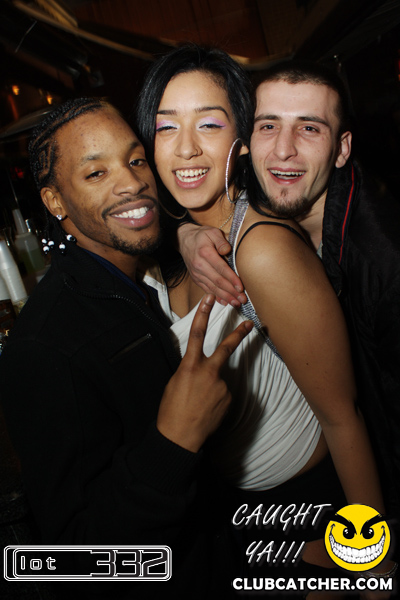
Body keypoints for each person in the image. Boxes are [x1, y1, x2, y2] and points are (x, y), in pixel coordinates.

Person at [135, 45, 394, 596]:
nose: (185, 147)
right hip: (237, 518)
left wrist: (370, 563)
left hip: (308, 512)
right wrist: (183, 234)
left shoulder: (264, 250)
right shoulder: (167, 243)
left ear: (241, 139)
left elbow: (343, 419)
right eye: (165, 126)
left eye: (209, 123)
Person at [0, 97, 253, 600]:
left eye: (135, 160)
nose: (132, 182)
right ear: (54, 202)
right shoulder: (45, 349)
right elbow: (74, 559)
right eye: (96, 173)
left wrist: (185, 233)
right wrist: (172, 442)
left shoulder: (133, 275)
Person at [177, 59, 400, 524]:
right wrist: (187, 233)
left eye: (309, 128)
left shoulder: (383, 260)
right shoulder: (260, 196)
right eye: (268, 125)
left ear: (342, 149)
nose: (283, 150)